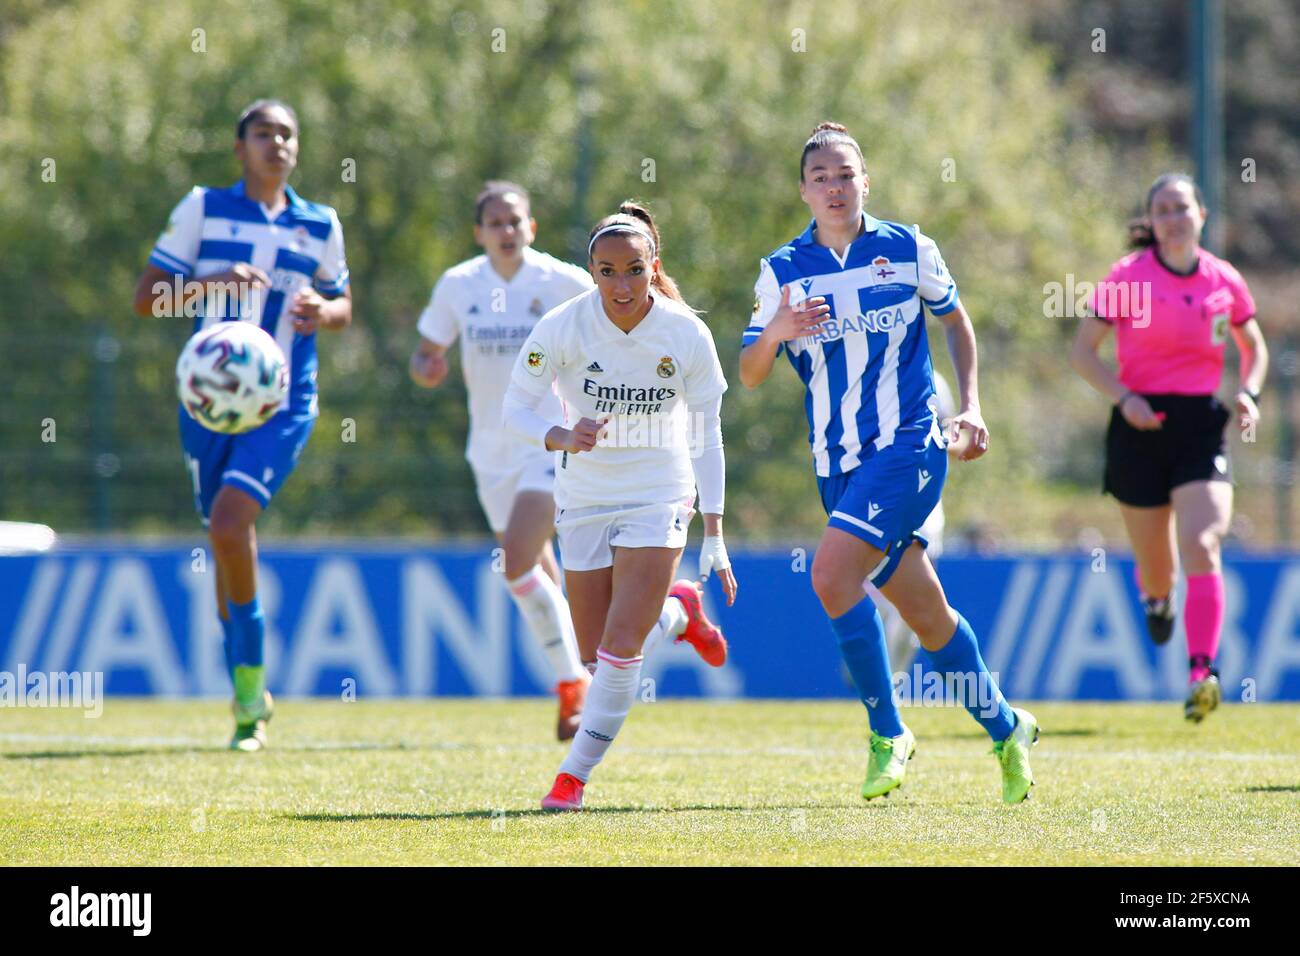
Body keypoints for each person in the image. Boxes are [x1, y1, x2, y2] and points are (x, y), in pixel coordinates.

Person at [739, 122, 1038, 804]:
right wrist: (778, 331)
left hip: (910, 448)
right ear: (804, 191)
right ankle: (1006, 725)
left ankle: (888, 732)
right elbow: (751, 372)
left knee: (830, 574)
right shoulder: (781, 270)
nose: (835, 187)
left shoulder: (907, 247)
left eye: (846, 174)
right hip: (835, 464)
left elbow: (956, 322)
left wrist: (973, 405)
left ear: (865, 181)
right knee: (928, 617)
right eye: (822, 177)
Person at [503, 201, 738, 811]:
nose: (621, 284)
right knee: (593, 653)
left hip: (659, 492)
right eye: (606, 271)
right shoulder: (562, 325)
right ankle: (681, 612)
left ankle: (571, 777)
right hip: (583, 496)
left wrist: (712, 529)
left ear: (652, 266)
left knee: (618, 650)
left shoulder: (686, 332)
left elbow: (708, 434)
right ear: (591, 272)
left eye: (633, 269)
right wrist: (561, 435)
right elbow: (517, 407)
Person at [133, 100, 351, 750]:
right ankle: (247, 696)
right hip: (206, 402)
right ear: (240, 148)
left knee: (231, 523)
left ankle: (251, 695)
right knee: (226, 543)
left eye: (286, 134)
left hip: (282, 400)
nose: (276, 143)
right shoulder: (203, 208)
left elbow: (343, 306)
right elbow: (148, 299)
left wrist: (324, 309)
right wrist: (211, 283)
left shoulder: (320, 223)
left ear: (296, 149)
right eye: (263, 133)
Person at [1071, 172, 1267, 723]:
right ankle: (1157, 601)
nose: (1173, 216)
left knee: (1203, 541)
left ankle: (1201, 672)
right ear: (1151, 221)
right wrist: (1124, 396)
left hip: (1200, 425)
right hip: (1139, 424)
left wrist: (1248, 392)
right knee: (1159, 569)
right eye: (1162, 209)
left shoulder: (1224, 280)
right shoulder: (1127, 277)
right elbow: (1083, 353)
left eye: (1182, 206)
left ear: (1202, 214)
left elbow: (1254, 348)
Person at [409, 181, 595, 740]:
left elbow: (611, 329)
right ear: (479, 233)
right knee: (535, 571)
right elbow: (425, 353)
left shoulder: (563, 281)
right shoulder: (458, 285)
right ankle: (583, 674)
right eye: (496, 223)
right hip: (488, 451)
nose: (507, 231)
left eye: (515, 221)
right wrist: (427, 369)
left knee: (514, 562)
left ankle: (572, 686)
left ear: (531, 228)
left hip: (549, 440)